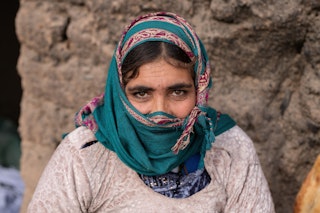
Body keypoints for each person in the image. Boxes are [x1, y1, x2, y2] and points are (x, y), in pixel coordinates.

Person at [27, 12, 275, 212]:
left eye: (178, 92)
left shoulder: (229, 150)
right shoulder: (85, 155)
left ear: (199, 89)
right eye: (141, 93)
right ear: (119, 91)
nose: (160, 112)